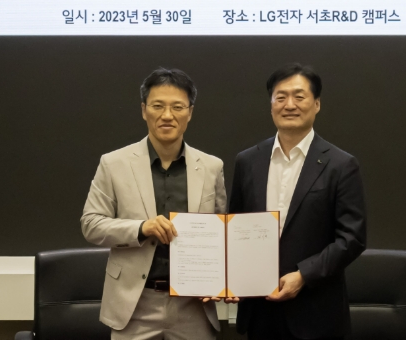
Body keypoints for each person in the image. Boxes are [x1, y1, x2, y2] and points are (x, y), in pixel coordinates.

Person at [81, 68, 226, 340]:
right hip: (134, 304)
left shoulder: (211, 167)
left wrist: (225, 281)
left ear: (190, 112)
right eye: (157, 106)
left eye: (177, 107)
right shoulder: (113, 163)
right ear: (143, 110)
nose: (167, 115)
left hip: (193, 305)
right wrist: (141, 228)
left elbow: (222, 234)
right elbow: (91, 225)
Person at [227, 63, 367, 340]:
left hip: (316, 313)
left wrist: (303, 275)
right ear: (271, 106)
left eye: (299, 96)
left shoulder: (341, 165)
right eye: (280, 97)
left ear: (316, 104)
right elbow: (235, 227)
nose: (289, 105)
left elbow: (352, 238)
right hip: (260, 311)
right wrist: (230, 278)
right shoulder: (248, 161)